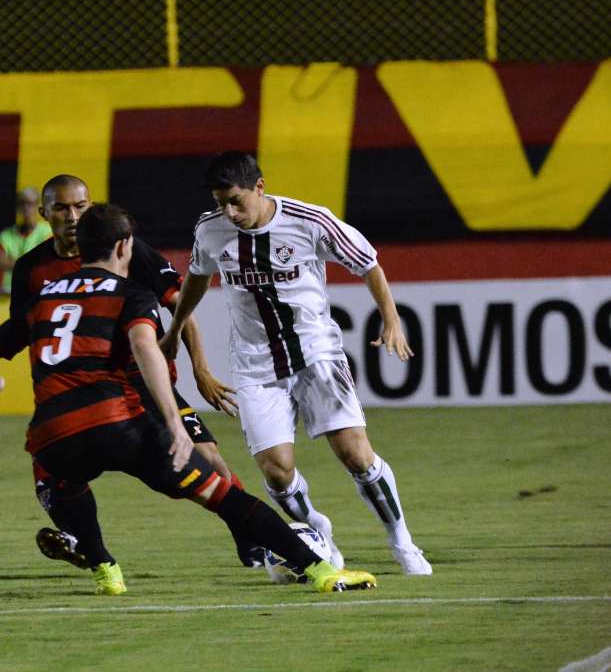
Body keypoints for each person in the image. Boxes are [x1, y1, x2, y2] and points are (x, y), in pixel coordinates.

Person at [0, 203, 377, 594]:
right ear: (125, 246)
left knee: (55, 479)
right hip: (121, 425)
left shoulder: (41, 296)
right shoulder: (130, 294)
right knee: (224, 495)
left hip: (55, 434)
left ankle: (104, 568)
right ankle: (322, 571)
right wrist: (174, 423)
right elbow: (147, 349)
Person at [0, 174, 263, 569]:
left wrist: (200, 370)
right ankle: (84, 542)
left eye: (80, 206)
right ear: (45, 214)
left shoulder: (125, 250)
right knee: (56, 470)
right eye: (62, 208)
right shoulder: (31, 267)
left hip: (143, 384)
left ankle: (248, 536)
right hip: (86, 392)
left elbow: (181, 308)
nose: (72, 215)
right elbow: (30, 328)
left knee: (209, 461)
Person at [162, 152, 433, 575]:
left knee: (357, 455)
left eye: (236, 201)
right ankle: (317, 531)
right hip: (255, 366)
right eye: (221, 203)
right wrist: (175, 329)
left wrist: (391, 318)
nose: (229, 212)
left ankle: (403, 543)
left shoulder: (310, 221)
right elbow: (198, 275)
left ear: (259, 188)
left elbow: (368, 262)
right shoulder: (210, 229)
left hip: (316, 355)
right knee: (276, 472)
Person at [0, 187, 52, 292]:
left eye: (30, 204)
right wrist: (31, 263)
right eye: (22, 203)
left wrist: (14, 263)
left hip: (39, 290)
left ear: (38, 207)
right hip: (11, 292)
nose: (26, 208)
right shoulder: (6, 235)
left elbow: (48, 261)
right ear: (18, 207)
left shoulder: (48, 232)